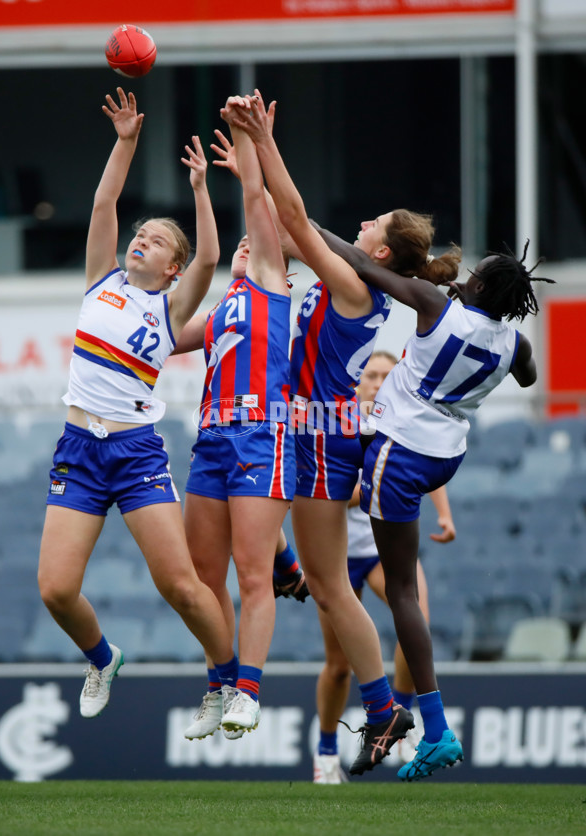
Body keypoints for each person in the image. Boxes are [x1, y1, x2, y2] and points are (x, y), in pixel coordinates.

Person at [228, 90, 462, 776]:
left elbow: (296, 217)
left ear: (382, 247)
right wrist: (248, 152)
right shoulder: (353, 284)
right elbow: (277, 216)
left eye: (371, 223)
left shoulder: (358, 287)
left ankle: (381, 708)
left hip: (322, 437)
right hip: (309, 432)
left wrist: (263, 140)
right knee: (327, 586)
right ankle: (383, 707)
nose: (359, 224)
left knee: (327, 584)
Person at [312, 230, 553, 780]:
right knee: (401, 589)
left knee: (400, 593)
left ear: (483, 285)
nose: (464, 279)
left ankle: (435, 729)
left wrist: (305, 224)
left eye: (475, 275)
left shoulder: (436, 306)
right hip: (443, 455)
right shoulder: (516, 344)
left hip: (400, 448)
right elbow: (528, 375)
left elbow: (359, 264)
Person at [37, 87, 238, 720]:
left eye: (155, 241)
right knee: (56, 589)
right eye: (140, 235)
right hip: (78, 446)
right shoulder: (102, 279)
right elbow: (104, 202)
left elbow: (210, 255)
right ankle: (102, 658)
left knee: (182, 586)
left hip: (135, 450)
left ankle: (229, 682)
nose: (141, 241)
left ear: (173, 270)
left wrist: (202, 189)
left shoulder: (169, 304)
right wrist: (125, 143)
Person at [180, 96, 295, 740]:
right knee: (203, 577)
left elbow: (258, 200)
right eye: (248, 240)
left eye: (265, 235)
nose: (253, 240)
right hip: (213, 439)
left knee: (253, 573)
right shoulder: (226, 306)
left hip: (261, 433)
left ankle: (248, 689)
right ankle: (219, 682)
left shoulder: (275, 285)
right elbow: (163, 336)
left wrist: (249, 139)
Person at [313, 350, 456, 784]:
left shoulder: (402, 423)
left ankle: (399, 713)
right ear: (357, 382)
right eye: (370, 375)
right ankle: (325, 753)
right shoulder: (339, 423)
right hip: (338, 556)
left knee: (419, 620)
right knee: (338, 665)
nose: (377, 382)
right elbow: (338, 491)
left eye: (386, 375)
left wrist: (445, 514)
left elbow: (425, 468)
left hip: (380, 551)